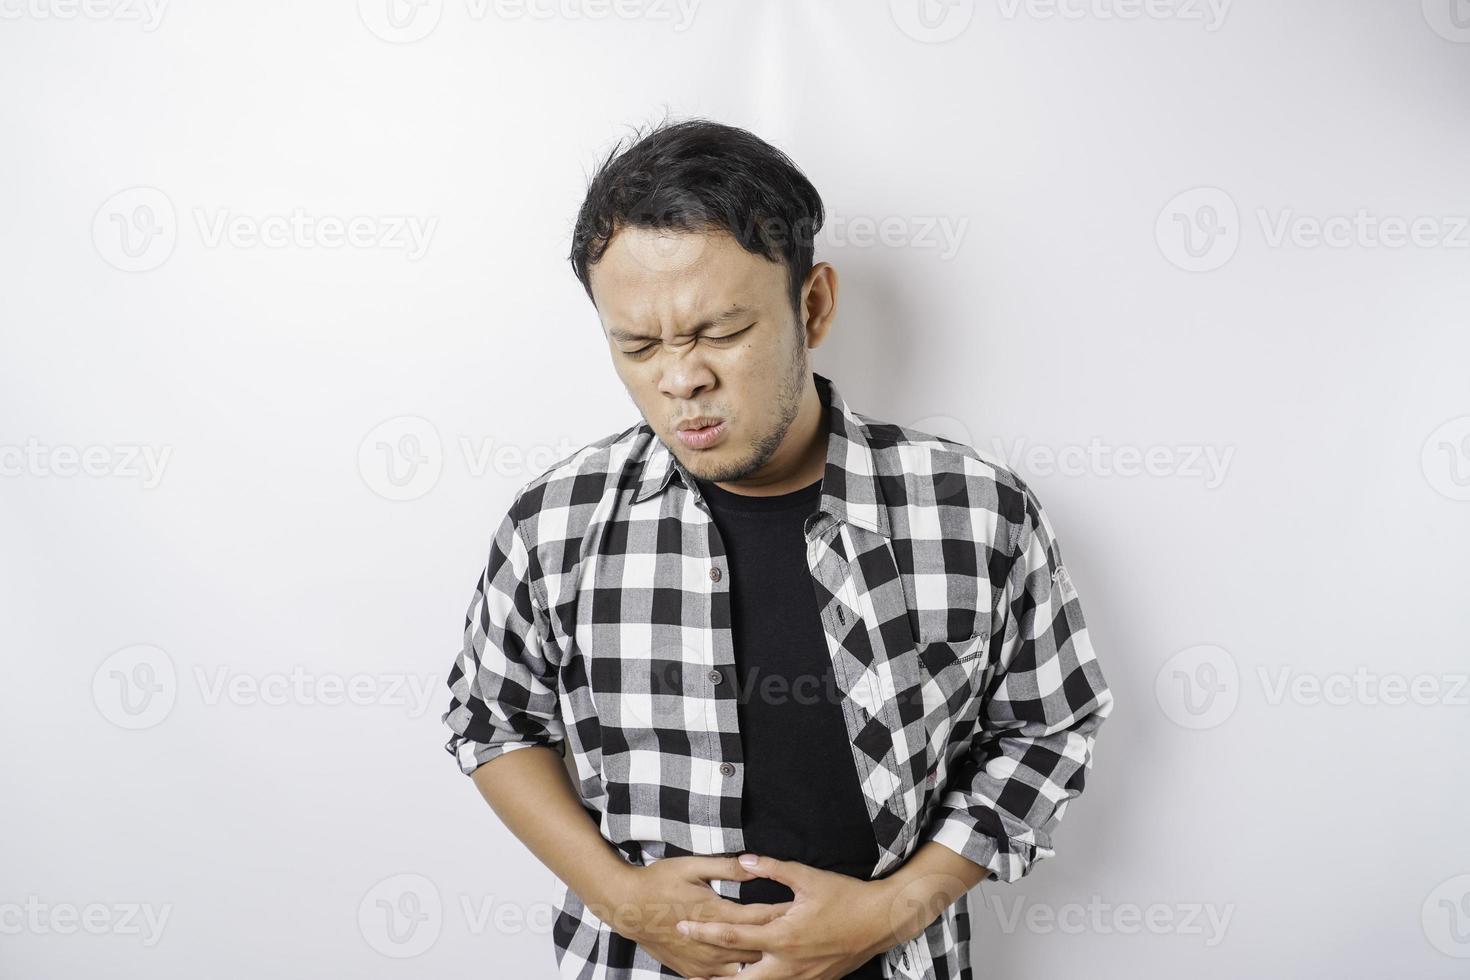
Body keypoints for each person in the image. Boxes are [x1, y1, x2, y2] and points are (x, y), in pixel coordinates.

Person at [442, 117, 1114, 980]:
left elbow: (1045, 725)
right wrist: (622, 899)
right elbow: (490, 719)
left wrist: (888, 913)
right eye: (638, 345)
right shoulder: (556, 521)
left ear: (814, 305)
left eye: (719, 332)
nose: (681, 378)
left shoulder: (977, 512)